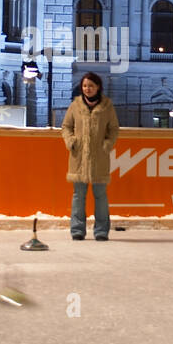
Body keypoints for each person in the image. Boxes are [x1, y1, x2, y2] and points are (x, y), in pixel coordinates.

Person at [61, 71, 119, 241]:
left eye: (91, 86)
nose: (87, 89)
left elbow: (114, 129)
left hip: (99, 157)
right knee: (78, 195)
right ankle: (77, 229)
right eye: (85, 86)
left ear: (98, 87)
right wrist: (71, 141)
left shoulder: (107, 106)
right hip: (79, 157)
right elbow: (66, 126)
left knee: (100, 195)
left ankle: (101, 231)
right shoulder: (75, 105)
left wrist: (107, 144)